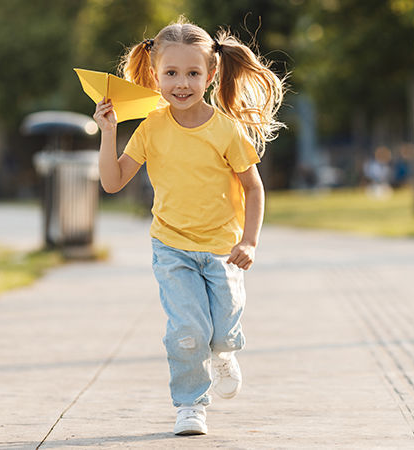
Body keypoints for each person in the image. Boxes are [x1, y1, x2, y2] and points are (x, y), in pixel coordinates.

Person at [92, 16, 285, 436]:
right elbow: (111, 182)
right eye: (172, 73)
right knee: (186, 331)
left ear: (211, 74)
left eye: (193, 73)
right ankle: (190, 404)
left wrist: (250, 242)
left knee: (221, 331)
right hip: (171, 246)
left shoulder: (227, 131)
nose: (182, 83)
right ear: (155, 75)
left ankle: (225, 352)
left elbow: (254, 189)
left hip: (223, 249)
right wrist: (108, 132)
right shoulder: (150, 128)